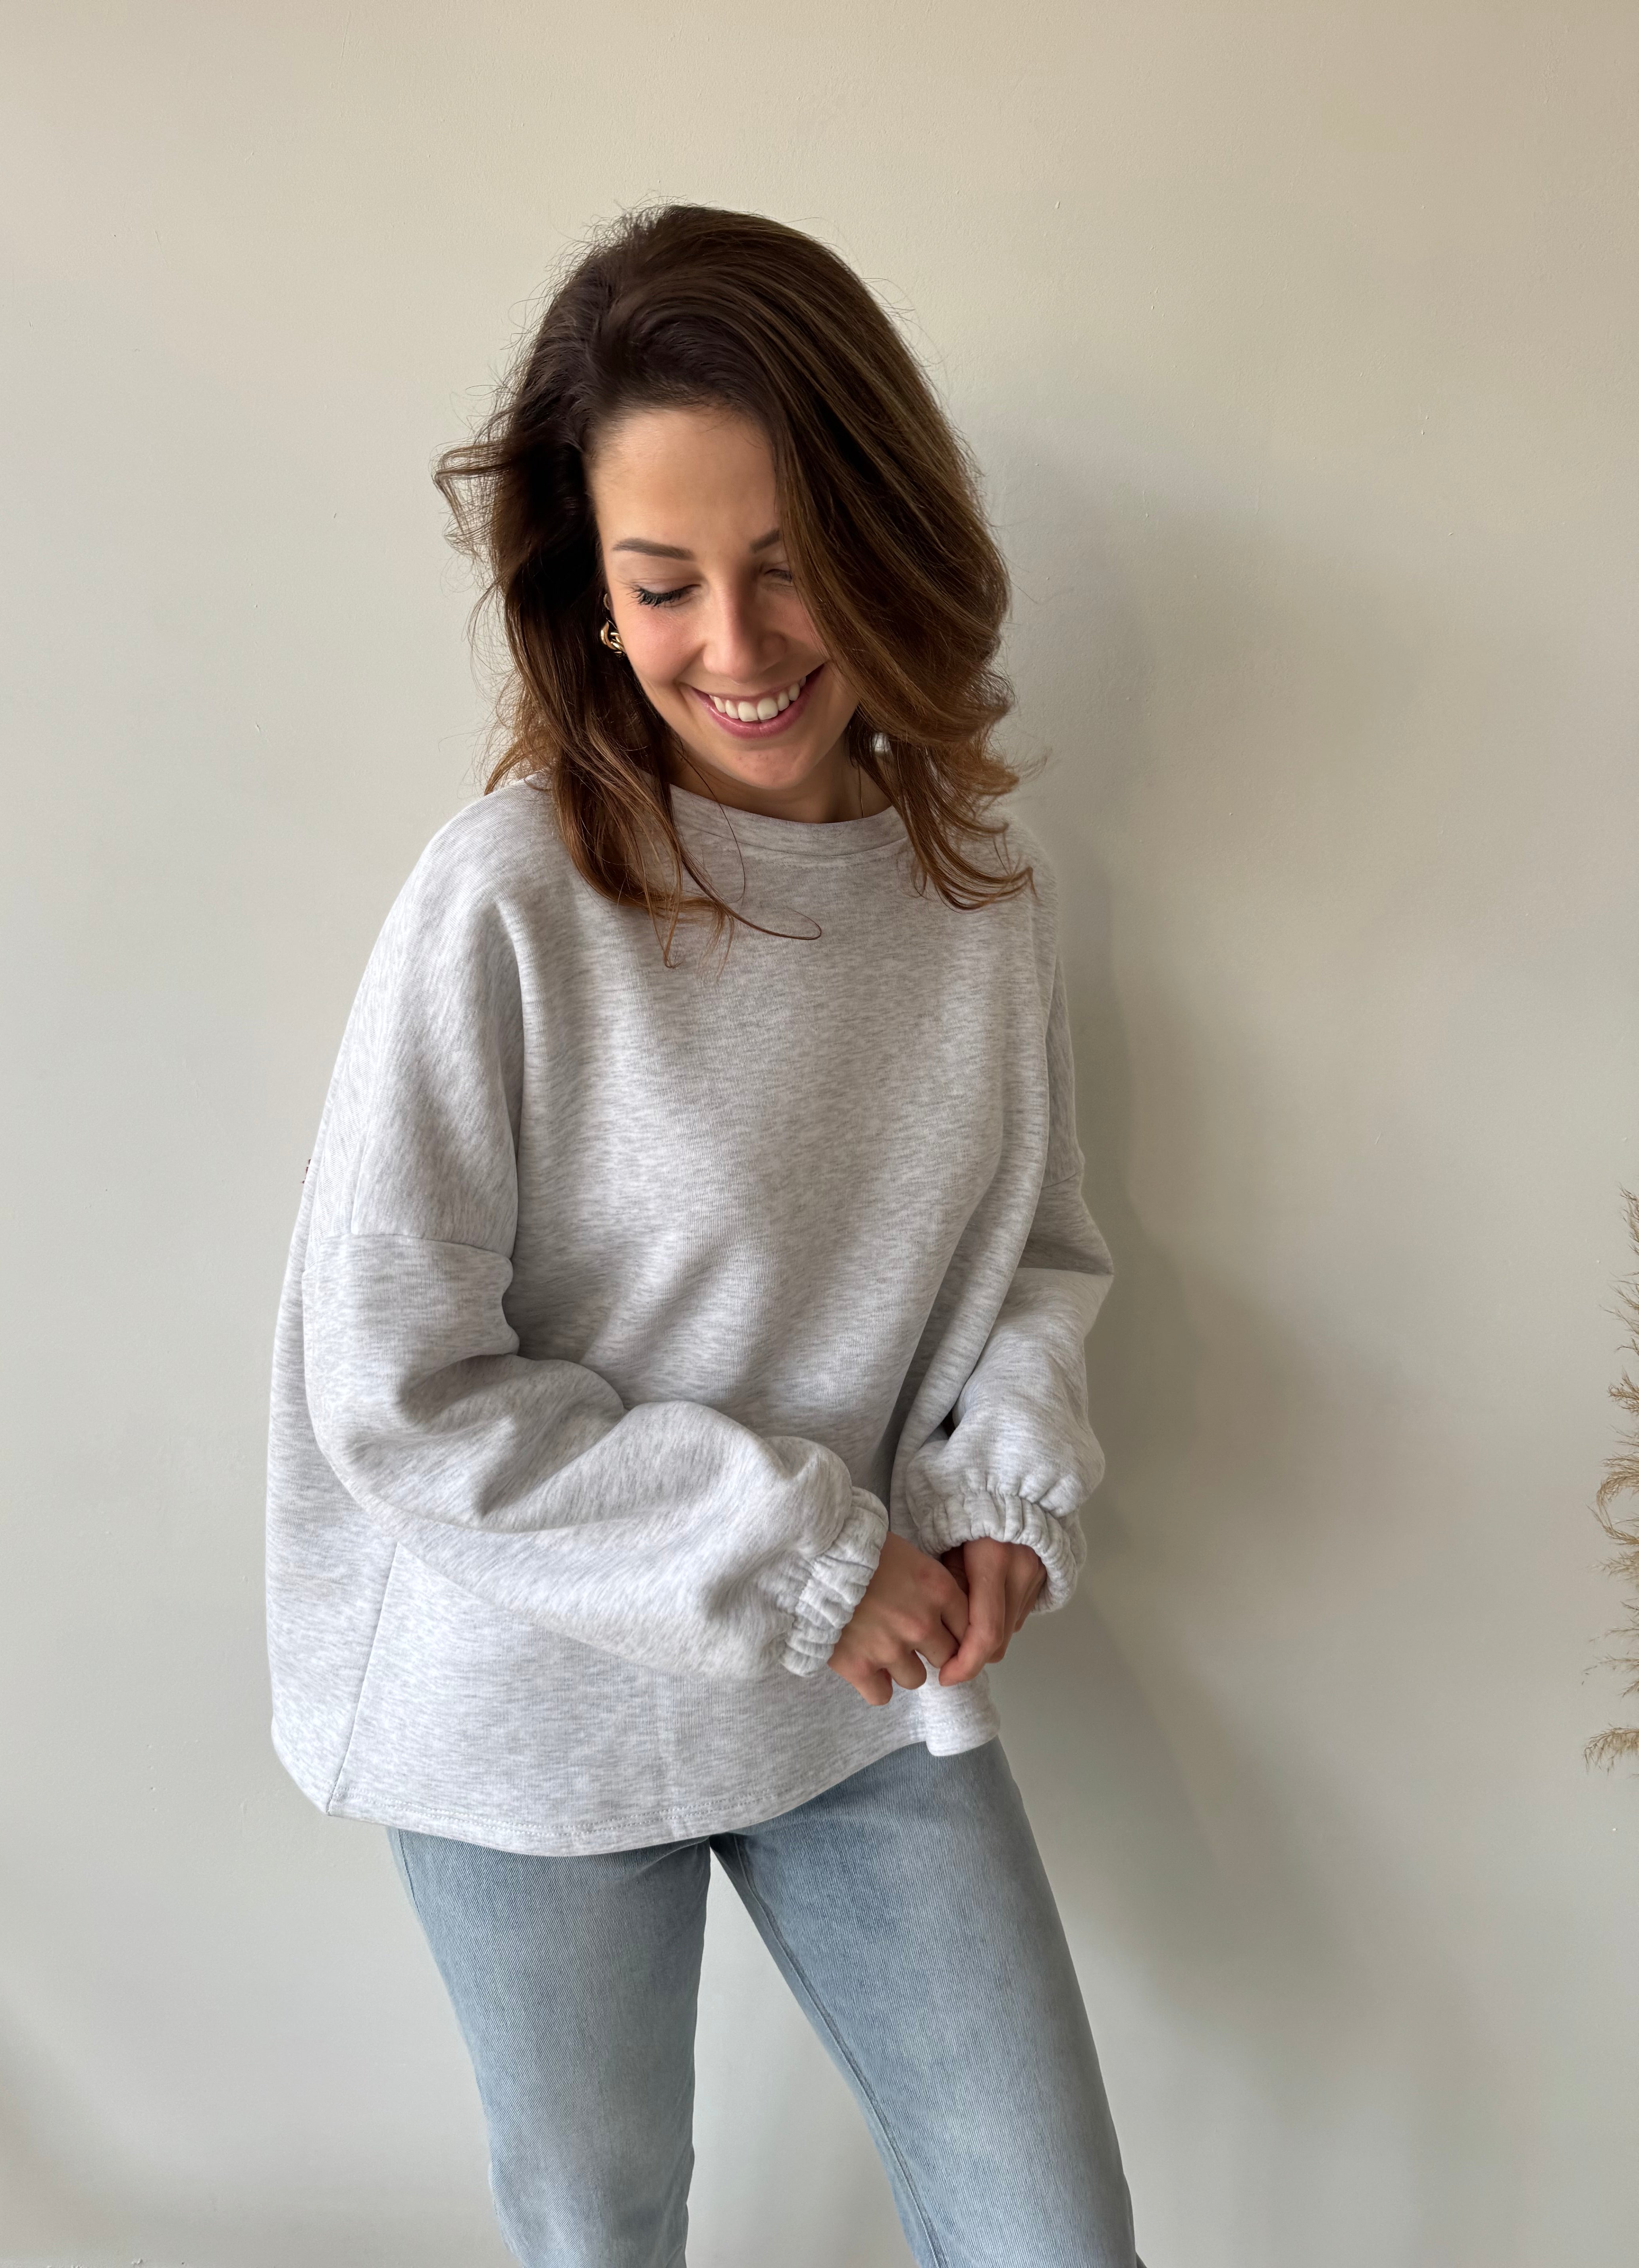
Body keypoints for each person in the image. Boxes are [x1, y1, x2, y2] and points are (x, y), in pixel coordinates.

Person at [265, 202, 1137, 2268]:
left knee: (1051, 2234)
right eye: (664, 584)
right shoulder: (506, 900)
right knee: (607, 2231)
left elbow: (1030, 1258)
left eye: (788, 562)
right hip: (529, 1698)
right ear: (591, 594)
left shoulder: (973, 896)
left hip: (860, 1676)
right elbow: (396, 1386)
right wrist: (799, 1560)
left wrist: (997, 1494)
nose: (735, 646)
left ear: (890, 540)